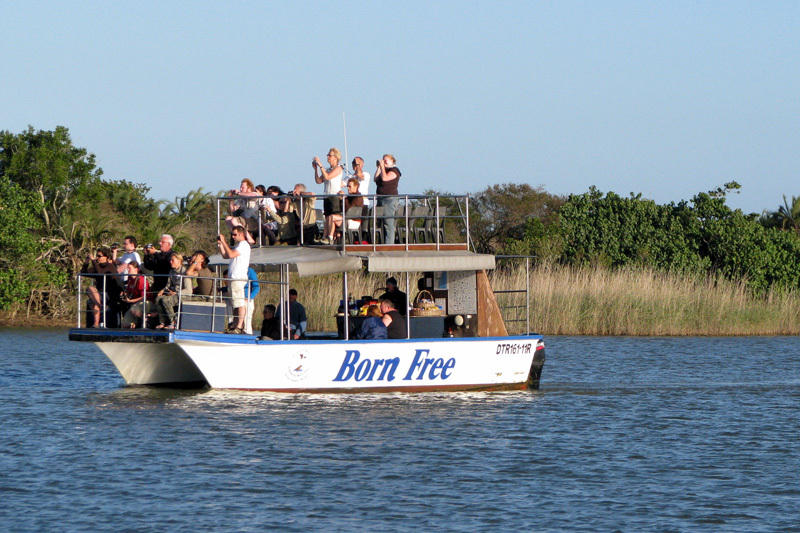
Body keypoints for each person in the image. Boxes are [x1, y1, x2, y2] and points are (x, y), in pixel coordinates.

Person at [217, 225, 251, 333]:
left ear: (241, 234)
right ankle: (236, 324)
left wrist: (224, 241)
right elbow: (225, 256)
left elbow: (230, 254)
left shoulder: (244, 245)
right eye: (232, 234)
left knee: (239, 303)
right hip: (233, 279)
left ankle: (240, 326)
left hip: (238, 278)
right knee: (235, 303)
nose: (233, 236)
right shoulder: (238, 246)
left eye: (235, 234)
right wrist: (221, 244)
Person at [313, 148, 345, 245]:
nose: (327, 157)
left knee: (331, 216)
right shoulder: (328, 170)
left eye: (329, 155)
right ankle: (324, 236)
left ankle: (330, 237)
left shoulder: (338, 168)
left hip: (334, 196)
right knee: (327, 217)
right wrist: (316, 169)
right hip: (327, 196)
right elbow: (319, 181)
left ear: (335, 158)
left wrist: (321, 165)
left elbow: (327, 177)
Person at [81, 247, 117, 327]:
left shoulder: (110, 266)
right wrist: (86, 262)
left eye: (99, 256)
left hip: (109, 294)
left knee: (94, 299)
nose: (97, 258)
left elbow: (100, 273)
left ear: (106, 257)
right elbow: (83, 273)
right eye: (97, 256)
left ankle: (99, 308)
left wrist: (93, 261)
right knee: (90, 289)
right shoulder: (97, 267)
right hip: (99, 295)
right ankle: (96, 323)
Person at [326, 177, 364, 242]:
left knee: (332, 217)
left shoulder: (358, 197)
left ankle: (330, 238)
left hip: (353, 221)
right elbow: (343, 208)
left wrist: (344, 198)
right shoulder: (350, 196)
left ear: (356, 186)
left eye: (350, 186)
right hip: (347, 219)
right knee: (329, 217)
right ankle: (331, 237)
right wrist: (341, 199)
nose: (348, 188)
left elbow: (349, 209)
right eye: (347, 186)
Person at [374, 153, 401, 244]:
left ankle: (389, 245)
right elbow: (375, 179)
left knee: (388, 223)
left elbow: (385, 178)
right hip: (381, 198)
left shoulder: (395, 171)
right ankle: (381, 243)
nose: (384, 161)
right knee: (380, 223)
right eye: (383, 159)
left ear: (392, 161)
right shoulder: (383, 170)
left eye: (386, 160)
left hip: (389, 200)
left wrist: (382, 167)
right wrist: (379, 167)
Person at [225, 178, 259, 245]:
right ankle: (239, 237)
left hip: (253, 220)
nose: (241, 189)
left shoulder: (254, 194)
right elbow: (233, 209)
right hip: (244, 220)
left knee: (234, 220)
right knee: (228, 219)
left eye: (242, 187)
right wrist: (231, 199)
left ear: (248, 187)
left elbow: (252, 195)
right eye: (240, 187)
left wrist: (238, 193)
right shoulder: (241, 198)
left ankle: (248, 238)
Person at [154, 253, 184, 329]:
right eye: (170, 260)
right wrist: (163, 290)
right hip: (171, 293)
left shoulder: (184, 272)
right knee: (158, 299)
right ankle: (162, 322)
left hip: (181, 294)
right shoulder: (171, 271)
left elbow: (188, 288)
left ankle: (173, 322)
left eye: (172, 260)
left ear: (179, 261)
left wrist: (176, 293)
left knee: (166, 300)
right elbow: (168, 285)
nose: (170, 262)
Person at [120, 261, 151, 328]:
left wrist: (131, 301)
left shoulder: (141, 280)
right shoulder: (130, 279)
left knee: (134, 309)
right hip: (134, 303)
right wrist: (124, 294)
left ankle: (147, 321)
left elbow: (144, 297)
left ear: (136, 269)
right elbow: (129, 290)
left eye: (130, 268)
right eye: (127, 268)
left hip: (145, 302)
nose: (128, 270)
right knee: (125, 323)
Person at [243, 266, 260, 335]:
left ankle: (248, 335)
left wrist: (249, 297)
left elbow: (257, 287)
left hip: (246, 299)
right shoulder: (236, 269)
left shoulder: (250, 271)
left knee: (247, 319)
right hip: (237, 298)